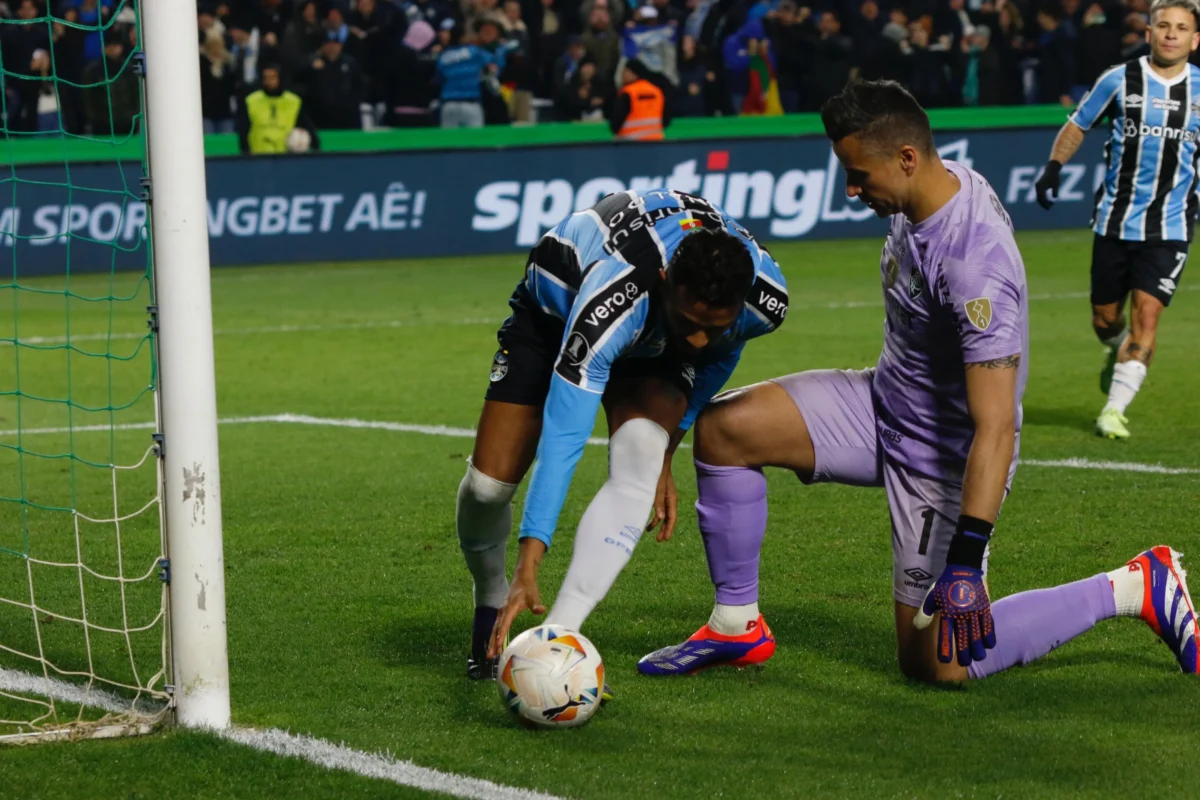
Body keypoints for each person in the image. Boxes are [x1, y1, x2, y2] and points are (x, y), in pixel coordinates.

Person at [638, 80, 1198, 683]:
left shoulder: (974, 262)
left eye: (859, 175)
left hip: (944, 459)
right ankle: (735, 624)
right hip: (881, 404)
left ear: (906, 159)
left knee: (934, 665)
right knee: (724, 430)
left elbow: (997, 423)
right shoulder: (929, 185)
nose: (852, 190)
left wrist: (966, 556)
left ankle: (1135, 586)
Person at [458, 189, 789, 682]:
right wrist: (530, 558)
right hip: (555, 310)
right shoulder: (614, 296)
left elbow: (721, 352)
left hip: (657, 340)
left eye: (713, 325)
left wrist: (669, 447)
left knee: (641, 457)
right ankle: (492, 596)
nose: (699, 339)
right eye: (692, 323)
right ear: (665, 283)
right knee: (489, 489)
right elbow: (563, 438)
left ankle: (555, 642)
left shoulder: (765, 301)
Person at [1035, 0, 1200, 440]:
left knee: (1148, 316)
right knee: (1105, 320)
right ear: (1148, 32)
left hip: (1171, 226)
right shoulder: (1119, 78)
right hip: (1114, 221)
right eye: (1163, 25)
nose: (1170, 34)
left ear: (1194, 39)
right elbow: (1078, 124)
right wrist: (1053, 167)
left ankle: (1113, 410)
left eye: (1181, 28)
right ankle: (1117, 350)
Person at [237, 63, 320, 154]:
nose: (269, 81)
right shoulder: (252, 101)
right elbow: (244, 129)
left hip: (285, 157)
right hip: (259, 155)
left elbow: (307, 124)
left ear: (279, 78)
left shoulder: (293, 102)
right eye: (266, 78)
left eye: (272, 77)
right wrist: (245, 152)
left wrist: (316, 146)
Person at [610, 59, 668, 140]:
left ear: (634, 73)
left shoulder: (628, 93)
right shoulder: (657, 92)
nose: (623, 75)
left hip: (630, 145)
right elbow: (666, 119)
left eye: (626, 71)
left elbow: (616, 124)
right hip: (655, 144)